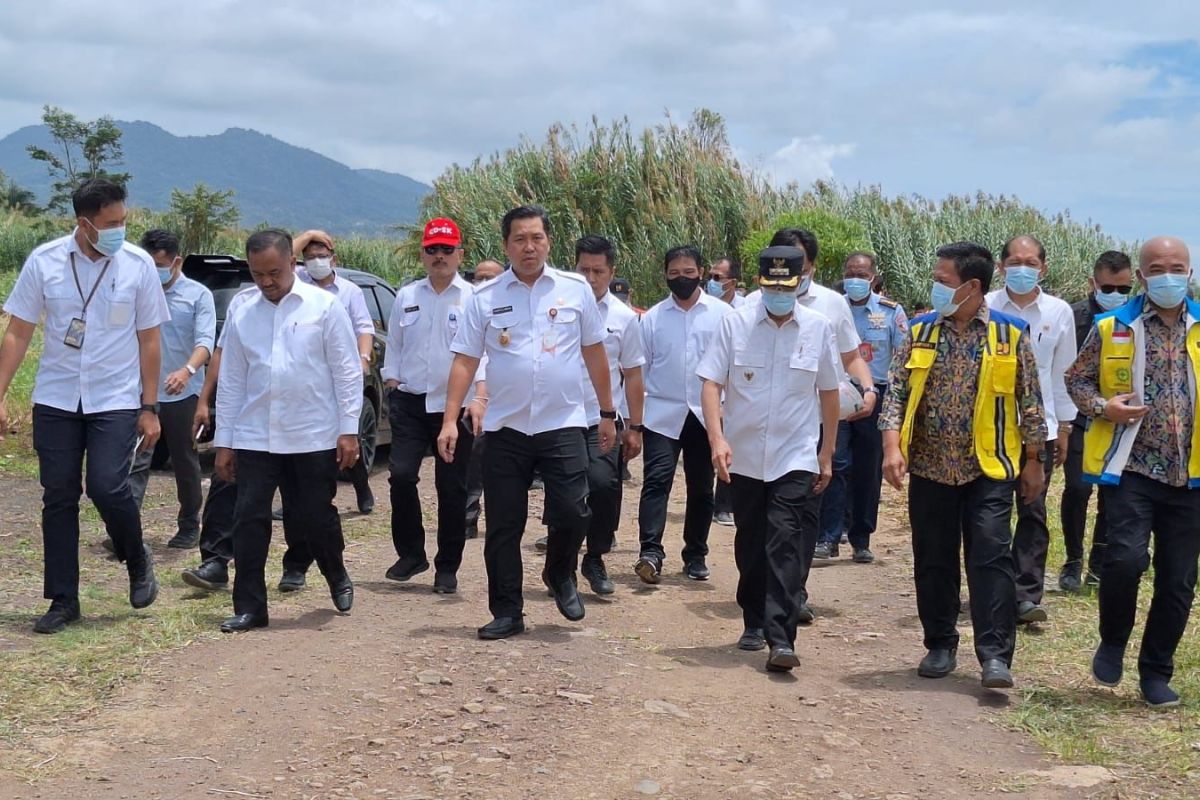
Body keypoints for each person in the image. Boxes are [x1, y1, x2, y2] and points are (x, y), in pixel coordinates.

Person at [438, 204, 616, 640]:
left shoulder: (575, 291)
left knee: (574, 511)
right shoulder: (485, 297)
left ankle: (559, 572)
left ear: (548, 241)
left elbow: (595, 353)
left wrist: (609, 414)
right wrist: (448, 420)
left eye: (536, 238)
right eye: (520, 239)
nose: (529, 246)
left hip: (564, 421)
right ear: (506, 245)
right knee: (504, 523)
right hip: (505, 427)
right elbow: (464, 361)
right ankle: (507, 610)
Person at [0, 179, 167, 633]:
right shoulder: (45, 261)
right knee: (58, 496)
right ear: (84, 223)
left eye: (124, 221)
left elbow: (150, 339)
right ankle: (63, 599)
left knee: (107, 486)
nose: (120, 230)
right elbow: (18, 331)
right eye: (112, 223)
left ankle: (136, 557)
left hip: (115, 398)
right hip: (56, 397)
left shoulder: (137, 266)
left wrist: (149, 406)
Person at [880, 241, 1047, 689]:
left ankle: (995, 656)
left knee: (991, 559)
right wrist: (892, 448)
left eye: (942, 281)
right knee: (933, 558)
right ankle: (939, 643)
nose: (935, 288)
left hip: (988, 469)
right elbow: (895, 394)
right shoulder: (919, 331)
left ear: (971, 286)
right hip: (931, 467)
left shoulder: (1010, 335)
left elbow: (1031, 403)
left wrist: (1034, 461)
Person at [1066, 236, 1200, 708]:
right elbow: (1076, 379)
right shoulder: (1111, 326)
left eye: (1177, 267)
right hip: (1133, 467)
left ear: (1189, 273)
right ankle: (1113, 639)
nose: (1169, 276)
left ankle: (1156, 671)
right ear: (1142, 277)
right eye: (1158, 268)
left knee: (1179, 579)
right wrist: (1104, 407)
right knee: (1123, 560)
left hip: (1192, 476)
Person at [699, 246, 840, 672]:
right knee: (751, 541)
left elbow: (830, 392)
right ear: (760, 284)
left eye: (788, 287)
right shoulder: (735, 322)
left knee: (785, 540)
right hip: (741, 456)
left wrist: (827, 451)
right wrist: (716, 439)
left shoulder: (818, 327)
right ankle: (753, 620)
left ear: (801, 282)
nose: (779, 295)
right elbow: (710, 383)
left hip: (795, 454)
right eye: (771, 287)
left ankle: (781, 638)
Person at [213, 229, 362, 632]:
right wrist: (224, 441)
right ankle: (250, 606)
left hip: (311, 433)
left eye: (274, 272)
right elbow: (231, 382)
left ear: (292, 265)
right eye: (258, 274)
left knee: (314, 517)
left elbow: (347, 371)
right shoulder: (243, 312)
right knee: (248, 519)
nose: (266, 282)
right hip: (256, 435)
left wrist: (349, 429)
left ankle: (335, 572)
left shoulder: (325, 307)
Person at [760, 228, 876, 618]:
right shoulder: (751, 304)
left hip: (812, 425)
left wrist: (867, 386)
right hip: (761, 426)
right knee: (764, 515)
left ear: (811, 266)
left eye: (800, 264)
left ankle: (794, 592)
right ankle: (764, 588)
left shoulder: (831, 305)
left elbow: (850, 356)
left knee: (805, 511)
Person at [382, 218, 486, 594]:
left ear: (460, 253)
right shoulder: (407, 296)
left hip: (453, 406)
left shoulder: (474, 299)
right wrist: (391, 378)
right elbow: (394, 344)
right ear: (423, 254)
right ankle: (411, 554)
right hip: (410, 400)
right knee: (401, 476)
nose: (439, 257)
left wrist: (478, 398)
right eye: (432, 250)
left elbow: (483, 354)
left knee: (451, 488)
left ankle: (448, 566)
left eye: (446, 250)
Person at [544, 234, 645, 595]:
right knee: (564, 497)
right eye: (583, 269)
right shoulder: (556, 307)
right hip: (559, 418)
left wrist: (635, 426)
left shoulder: (623, 318)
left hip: (601, 419)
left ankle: (595, 556)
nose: (590, 278)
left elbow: (632, 374)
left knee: (603, 486)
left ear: (611, 271)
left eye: (598, 271)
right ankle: (561, 567)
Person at [985, 235, 1077, 624]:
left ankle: (1026, 595)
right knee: (989, 514)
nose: (1023, 269)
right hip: (992, 428)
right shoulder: (986, 307)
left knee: (1033, 510)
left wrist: (1066, 426)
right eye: (1015, 261)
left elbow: (1062, 374)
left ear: (1043, 267)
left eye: (1031, 262)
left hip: (1043, 429)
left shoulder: (1059, 312)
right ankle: (990, 590)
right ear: (1001, 266)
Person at [635, 245, 733, 584]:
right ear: (665, 275)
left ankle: (695, 555)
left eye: (688, 272)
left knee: (702, 487)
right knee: (656, 482)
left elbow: (731, 367)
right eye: (674, 273)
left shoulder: (722, 315)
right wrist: (635, 417)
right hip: (662, 413)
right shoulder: (652, 318)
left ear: (701, 272)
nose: (682, 279)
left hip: (707, 415)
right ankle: (650, 551)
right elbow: (640, 368)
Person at [815, 251, 907, 563]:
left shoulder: (891, 312)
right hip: (837, 392)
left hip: (876, 393)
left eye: (862, 273)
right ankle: (828, 536)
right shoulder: (832, 306)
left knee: (868, 469)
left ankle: (861, 538)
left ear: (874, 277)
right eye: (851, 272)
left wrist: (892, 397)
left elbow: (902, 356)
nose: (856, 278)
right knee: (835, 463)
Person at [127, 229, 215, 549]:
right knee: (136, 460)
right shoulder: (136, 292)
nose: (154, 272)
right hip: (140, 392)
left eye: (160, 265)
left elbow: (206, 342)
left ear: (176, 261)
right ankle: (126, 529)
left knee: (184, 461)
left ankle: (190, 524)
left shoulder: (198, 295)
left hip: (183, 393)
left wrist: (187, 370)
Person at [1059, 250, 1132, 590]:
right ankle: (1072, 560)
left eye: (1123, 288)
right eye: (1109, 287)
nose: (1116, 295)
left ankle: (1098, 565)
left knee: (1110, 493)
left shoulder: (1134, 320)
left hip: (1120, 422)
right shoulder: (1072, 317)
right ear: (1093, 283)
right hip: (1078, 416)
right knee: (1077, 488)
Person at [179, 284, 259, 592]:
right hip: (243, 411)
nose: (265, 280)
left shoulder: (315, 303)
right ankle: (215, 562)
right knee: (225, 483)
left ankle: (298, 564)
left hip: (294, 421)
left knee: (298, 500)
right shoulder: (243, 303)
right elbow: (221, 354)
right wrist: (204, 400)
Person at [463, 258, 506, 538]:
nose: (484, 283)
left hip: (503, 399)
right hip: (471, 397)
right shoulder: (470, 305)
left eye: (491, 278)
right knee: (472, 458)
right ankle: (469, 515)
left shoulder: (509, 306)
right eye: (479, 277)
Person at [706, 256, 743, 527]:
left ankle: (725, 504)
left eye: (717, 278)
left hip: (735, 391)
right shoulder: (703, 308)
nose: (712, 282)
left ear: (733, 282)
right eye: (710, 276)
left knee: (731, 448)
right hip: (708, 387)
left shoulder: (743, 313)